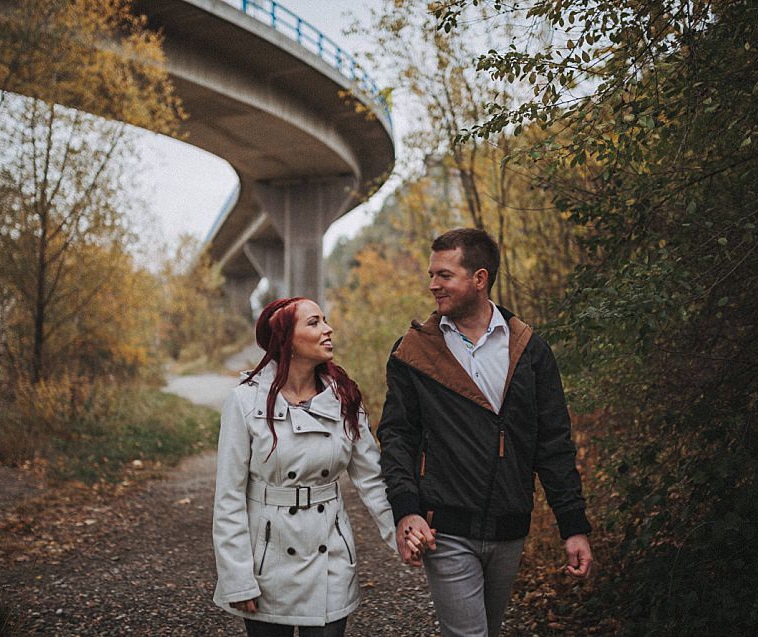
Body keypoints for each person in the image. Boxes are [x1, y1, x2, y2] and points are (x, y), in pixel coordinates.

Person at [376, 228, 594, 637]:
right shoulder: (413, 352)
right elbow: (397, 437)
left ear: (479, 278)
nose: (432, 285)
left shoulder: (529, 349)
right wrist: (407, 511)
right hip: (446, 527)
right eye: (431, 274)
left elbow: (553, 444)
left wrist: (573, 526)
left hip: (511, 527)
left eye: (444, 275)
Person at [212, 297, 396, 637]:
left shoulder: (345, 398)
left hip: (332, 555)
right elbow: (229, 498)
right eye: (314, 323)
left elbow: (371, 479)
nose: (328, 329)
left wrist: (402, 533)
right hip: (268, 561)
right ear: (286, 339)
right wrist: (237, 577)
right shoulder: (245, 401)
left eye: (325, 320)